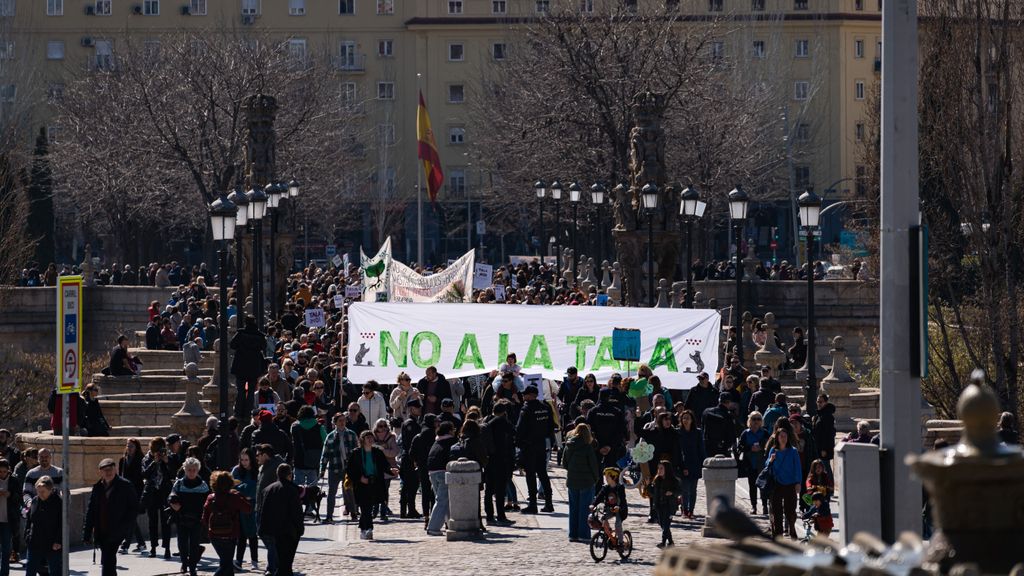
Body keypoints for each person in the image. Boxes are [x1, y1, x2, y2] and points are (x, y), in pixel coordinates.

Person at [84, 458, 139, 576]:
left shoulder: (125, 485)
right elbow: (91, 511)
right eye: (105, 470)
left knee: (108, 558)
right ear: (100, 472)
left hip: (117, 530)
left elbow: (134, 508)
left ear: (116, 470)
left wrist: (125, 527)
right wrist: (87, 533)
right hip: (101, 530)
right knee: (108, 560)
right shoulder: (98, 487)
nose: (108, 472)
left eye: (111, 469)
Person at [202, 471, 253, 576]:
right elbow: (248, 509)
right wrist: (240, 495)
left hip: (215, 535)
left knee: (226, 563)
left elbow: (204, 518)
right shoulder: (234, 497)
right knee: (226, 564)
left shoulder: (211, 498)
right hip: (230, 534)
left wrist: (210, 529)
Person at [347, 430, 394, 540]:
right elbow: (350, 470)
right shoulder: (356, 453)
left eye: (371, 437)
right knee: (365, 507)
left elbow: (384, 466)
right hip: (361, 484)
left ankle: (364, 529)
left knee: (368, 507)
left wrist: (392, 471)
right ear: (362, 440)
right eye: (367, 437)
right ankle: (368, 529)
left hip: (375, 483)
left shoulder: (377, 452)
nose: (370, 439)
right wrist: (360, 478)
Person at [516, 385, 555, 514]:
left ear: (532, 395)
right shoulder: (545, 407)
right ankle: (549, 503)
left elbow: (520, 429)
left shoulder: (526, 408)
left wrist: (518, 443)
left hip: (529, 446)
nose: (523, 396)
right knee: (543, 473)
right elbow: (551, 427)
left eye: (525, 394)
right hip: (541, 444)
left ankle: (533, 504)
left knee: (531, 475)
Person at [259, 464, 304, 576]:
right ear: (290, 475)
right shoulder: (292, 490)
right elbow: (297, 512)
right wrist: (300, 528)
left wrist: (262, 528)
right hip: (288, 531)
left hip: (272, 531)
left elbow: (263, 510)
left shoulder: (268, 489)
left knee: (280, 562)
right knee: (286, 563)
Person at [168, 457, 210, 576]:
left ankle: (192, 567)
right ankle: (184, 563)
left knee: (194, 544)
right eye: (189, 470)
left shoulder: (203, 485)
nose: (191, 472)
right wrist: (173, 503)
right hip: (182, 518)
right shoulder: (179, 483)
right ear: (185, 470)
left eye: (194, 470)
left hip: (197, 519)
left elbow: (208, 502)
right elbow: (170, 496)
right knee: (182, 543)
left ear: (198, 471)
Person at [561, 423, 600, 542]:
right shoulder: (588, 447)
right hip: (587, 481)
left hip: (572, 480)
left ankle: (573, 534)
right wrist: (595, 478)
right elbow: (593, 465)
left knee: (573, 509)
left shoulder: (569, 445)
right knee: (584, 509)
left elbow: (564, 463)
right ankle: (583, 534)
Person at [321, 411, 357, 524]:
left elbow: (356, 452)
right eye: (340, 421)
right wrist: (322, 470)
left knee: (349, 492)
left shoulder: (351, 434)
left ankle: (354, 514)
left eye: (344, 420)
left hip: (348, 469)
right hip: (334, 468)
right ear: (335, 423)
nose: (342, 423)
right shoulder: (330, 437)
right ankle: (329, 516)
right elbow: (325, 454)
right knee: (331, 493)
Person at [765, 427, 802, 539]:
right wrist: (770, 460)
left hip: (790, 484)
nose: (783, 438)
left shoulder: (793, 451)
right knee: (776, 511)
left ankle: (792, 528)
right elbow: (767, 465)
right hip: (776, 484)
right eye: (781, 436)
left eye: (785, 436)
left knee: (790, 510)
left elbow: (797, 468)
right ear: (777, 437)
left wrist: (798, 482)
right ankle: (778, 534)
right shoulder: (773, 450)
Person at [482, 401, 515, 525]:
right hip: (501, 458)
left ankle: (489, 516)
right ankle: (501, 515)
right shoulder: (502, 421)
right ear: (504, 412)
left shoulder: (486, 420)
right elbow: (513, 431)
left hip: (488, 459)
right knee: (500, 490)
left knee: (489, 490)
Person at [254, 445, 285, 575]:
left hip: (270, 509)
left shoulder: (276, 466)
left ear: (265, 455)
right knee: (264, 535)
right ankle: (278, 564)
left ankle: (272, 567)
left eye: (258, 455)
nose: (256, 458)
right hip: (260, 507)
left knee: (270, 538)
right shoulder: (264, 467)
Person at [230, 316, 267, 419]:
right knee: (251, 392)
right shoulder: (259, 335)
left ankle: (238, 412)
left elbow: (232, 345)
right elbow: (264, 347)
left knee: (240, 391)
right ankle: (247, 413)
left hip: (241, 365)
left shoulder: (241, 333)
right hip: (254, 366)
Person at [425, 421, 458, 536]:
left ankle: (450, 524)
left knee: (443, 501)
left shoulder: (436, 441)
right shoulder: (451, 441)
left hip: (432, 472)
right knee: (442, 501)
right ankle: (433, 527)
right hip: (443, 472)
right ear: (449, 430)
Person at [24, 477, 61, 576]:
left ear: (50, 490)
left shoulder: (58, 502)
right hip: (34, 542)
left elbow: (62, 523)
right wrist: (27, 535)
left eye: (43, 492)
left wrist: (58, 540)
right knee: (30, 570)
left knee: (55, 570)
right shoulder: (35, 500)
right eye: (38, 491)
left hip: (52, 543)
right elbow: (29, 519)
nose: (40, 494)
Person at [230, 448, 259, 570]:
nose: (244, 462)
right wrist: (246, 487)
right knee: (241, 534)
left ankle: (254, 560)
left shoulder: (256, 470)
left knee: (252, 533)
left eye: (246, 460)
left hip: (252, 505)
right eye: (242, 460)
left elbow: (257, 487)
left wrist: (245, 487)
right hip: (240, 505)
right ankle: (239, 560)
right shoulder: (236, 470)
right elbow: (233, 486)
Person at [117, 438, 146, 553]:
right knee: (131, 518)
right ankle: (141, 543)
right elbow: (120, 476)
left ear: (136, 448)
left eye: (131, 446)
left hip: (137, 492)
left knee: (131, 517)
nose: (129, 448)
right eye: (128, 446)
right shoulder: (122, 460)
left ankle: (125, 545)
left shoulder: (140, 460)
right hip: (125, 492)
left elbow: (140, 477)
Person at [739, 411, 770, 515]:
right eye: (754, 419)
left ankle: (765, 506)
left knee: (763, 485)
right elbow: (740, 447)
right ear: (750, 421)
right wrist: (750, 448)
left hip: (762, 463)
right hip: (750, 462)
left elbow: (770, 445)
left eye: (758, 419)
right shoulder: (745, 433)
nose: (756, 421)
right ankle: (753, 506)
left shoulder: (765, 432)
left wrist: (761, 447)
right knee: (752, 485)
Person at [410, 414, 438, 528]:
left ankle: (426, 518)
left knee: (425, 493)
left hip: (422, 468)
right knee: (436, 492)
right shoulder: (435, 435)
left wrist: (417, 461)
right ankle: (436, 516)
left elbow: (411, 453)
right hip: (435, 467)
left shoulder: (418, 436)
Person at [591, 467, 628, 551]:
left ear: (614, 477)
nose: (606, 478)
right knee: (601, 518)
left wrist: (619, 506)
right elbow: (599, 496)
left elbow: (622, 499)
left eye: (608, 477)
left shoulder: (620, 488)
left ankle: (621, 543)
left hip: (620, 510)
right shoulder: (606, 488)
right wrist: (593, 504)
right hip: (609, 509)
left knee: (618, 524)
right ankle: (609, 532)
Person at [676, 409, 704, 519]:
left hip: (695, 463)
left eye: (688, 418)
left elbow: (701, 449)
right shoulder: (678, 432)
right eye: (684, 418)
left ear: (692, 420)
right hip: (683, 463)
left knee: (693, 490)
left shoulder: (697, 432)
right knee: (685, 489)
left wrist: (704, 462)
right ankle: (684, 510)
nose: (686, 420)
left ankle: (691, 510)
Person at [397, 399, 423, 519]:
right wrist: (414, 458)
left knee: (412, 484)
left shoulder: (414, 422)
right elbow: (410, 443)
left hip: (410, 457)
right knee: (408, 484)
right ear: (412, 409)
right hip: (409, 457)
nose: (420, 409)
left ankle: (410, 509)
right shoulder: (410, 424)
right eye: (418, 408)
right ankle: (405, 510)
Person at [291, 406, 326, 488]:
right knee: (312, 489)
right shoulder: (320, 427)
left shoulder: (294, 427)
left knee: (298, 489)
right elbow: (326, 442)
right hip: (314, 461)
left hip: (299, 461)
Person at [371, 419, 399, 521]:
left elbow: (395, 452)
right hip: (375, 468)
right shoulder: (372, 436)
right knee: (374, 489)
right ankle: (374, 510)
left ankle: (383, 511)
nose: (382, 428)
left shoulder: (391, 437)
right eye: (380, 426)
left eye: (384, 426)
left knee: (385, 490)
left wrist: (383, 451)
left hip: (388, 468)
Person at [651, 460, 679, 548]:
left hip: (669, 505)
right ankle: (670, 542)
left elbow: (680, 491)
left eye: (661, 468)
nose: (659, 470)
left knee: (666, 524)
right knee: (663, 524)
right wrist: (648, 485)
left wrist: (672, 492)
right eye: (658, 468)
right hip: (659, 505)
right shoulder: (656, 480)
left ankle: (663, 543)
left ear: (667, 469)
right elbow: (652, 492)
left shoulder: (673, 480)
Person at [702, 392, 737, 457]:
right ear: (729, 402)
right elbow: (732, 434)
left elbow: (703, 427)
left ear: (719, 400)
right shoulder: (728, 415)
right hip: (723, 447)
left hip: (708, 445)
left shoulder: (706, 412)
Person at [811, 393, 837, 471]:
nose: (819, 404)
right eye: (818, 402)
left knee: (825, 467)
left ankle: (831, 483)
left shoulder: (827, 416)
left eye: (821, 402)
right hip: (818, 445)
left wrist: (824, 449)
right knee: (820, 468)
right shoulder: (819, 414)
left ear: (826, 402)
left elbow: (827, 434)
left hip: (824, 448)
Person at [0, 460, 15, 576]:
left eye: (5, 472)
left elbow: (19, 496)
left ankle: (4, 573)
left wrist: (10, 495)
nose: (2, 474)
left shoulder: (13, 480)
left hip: (7, 520)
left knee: (6, 550)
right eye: (0, 472)